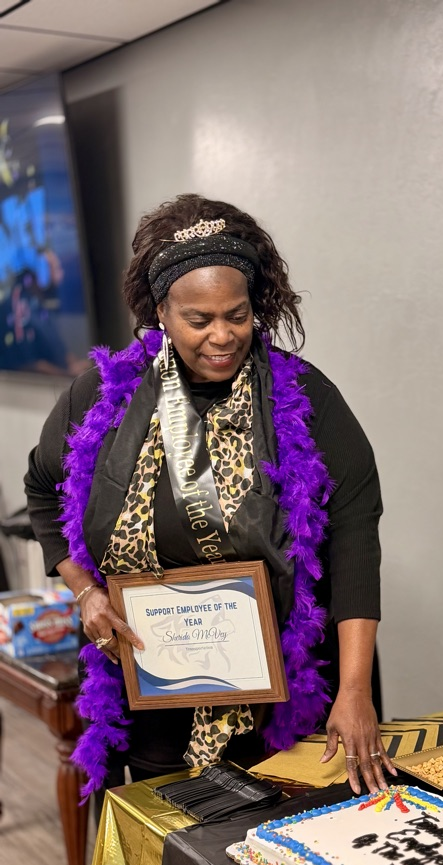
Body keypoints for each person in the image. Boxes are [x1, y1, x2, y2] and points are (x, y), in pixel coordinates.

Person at [25, 193, 395, 797]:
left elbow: (355, 534)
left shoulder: (307, 399)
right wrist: (86, 591)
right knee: (170, 841)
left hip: (286, 697)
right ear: (161, 314)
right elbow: (43, 490)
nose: (222, 336)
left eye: (237, 315)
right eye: (199, 320)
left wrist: (354, 690)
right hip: (155, 691)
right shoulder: (100, 397)